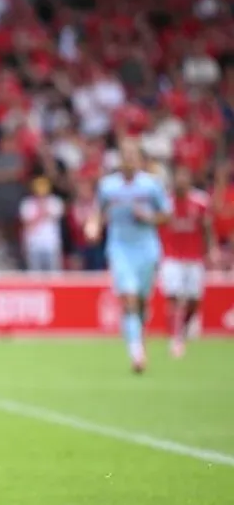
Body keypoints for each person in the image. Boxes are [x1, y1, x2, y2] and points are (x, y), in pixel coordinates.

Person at [85, 139, 171, 372]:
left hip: (147, 249)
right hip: (120, 249)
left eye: (133, 155)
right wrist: (93, 226)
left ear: (140, 159)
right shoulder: (108, 186)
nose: (129, 159)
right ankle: (136, 353)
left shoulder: (151, 185)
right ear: (120, 159)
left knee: (142, 302)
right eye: (125, 155)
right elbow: (97, 213)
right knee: (130, 299)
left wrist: (149, 218)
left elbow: (166, 214)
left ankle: (138, 337)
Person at [158, 166, 215, 358]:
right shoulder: (165, 202)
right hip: (171, 257)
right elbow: (158, 225)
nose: (181, 182)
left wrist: (211, 249)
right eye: (178, 178)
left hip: (194, 258)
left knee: (193, 301)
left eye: (184, 178)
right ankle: (175, 339)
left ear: (189, 180)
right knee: (173, 297)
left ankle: (181, 332)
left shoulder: (200, 201)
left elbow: (207, 227)